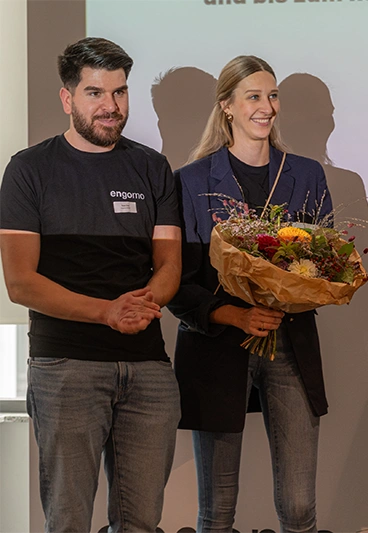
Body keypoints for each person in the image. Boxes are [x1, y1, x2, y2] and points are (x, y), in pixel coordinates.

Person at [0, 37, 182, 532]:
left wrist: (145, 305)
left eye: (120, 92)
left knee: (142, 522)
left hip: (147, 368)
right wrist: (106, 312)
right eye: (95, 93)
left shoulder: (152, 167)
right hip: (66, 367)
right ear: (68, 98)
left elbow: (169, 265)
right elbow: (20, 283)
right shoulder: (29, 169)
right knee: (69, 521)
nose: (111, 106)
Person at [167, 55, 332, 533]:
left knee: (299, 509)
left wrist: (295, 291)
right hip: (217, 346)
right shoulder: (192, 181)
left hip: (289, 342)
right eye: (254, 96)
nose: (267, 107)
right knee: (217, 511)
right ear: (227, 106)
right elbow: (177, 281)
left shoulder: (307, 174)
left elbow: (328, 266)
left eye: (273, 96)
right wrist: (234, 315)